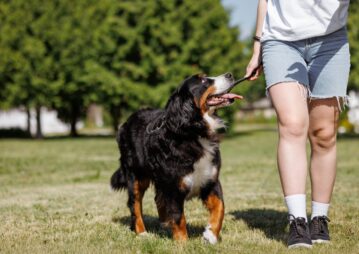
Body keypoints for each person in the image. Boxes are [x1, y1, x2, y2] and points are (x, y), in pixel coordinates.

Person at [246, 0, 351, 249]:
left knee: (323, 133)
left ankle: (319, 218)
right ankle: (297, 221)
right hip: (280, 40)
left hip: (331, 41)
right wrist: (257, 46)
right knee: (292, 124)